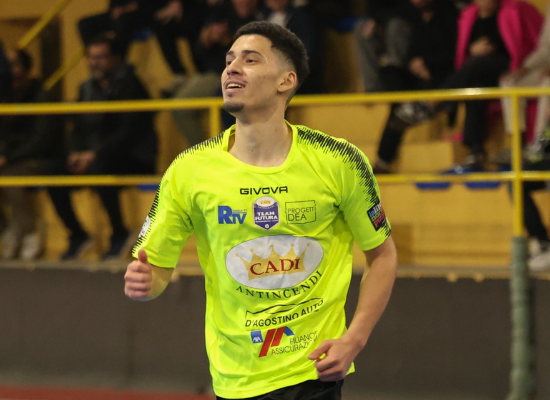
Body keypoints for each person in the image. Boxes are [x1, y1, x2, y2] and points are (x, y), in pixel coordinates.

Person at [125, 21, 397, 399]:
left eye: (250, 60)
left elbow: (383, 256)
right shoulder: (188, 170)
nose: (232, 69)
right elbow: (155, 270)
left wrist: (355, 338)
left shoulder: (339, 160)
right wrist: (145, 284)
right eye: (229, 61)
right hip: (235, 380)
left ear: (286, 80)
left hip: (312, 375)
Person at [395, 0, 543, 170]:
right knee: (475, 84)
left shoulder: (515, 10)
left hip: (512, 66)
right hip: (482, 74)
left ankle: (432, 102)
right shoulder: (469, 17)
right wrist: (473, 50)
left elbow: (531, 44)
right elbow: (461, 54)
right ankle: (476, 150)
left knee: (478, 64)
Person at [48, 35, 157, 260]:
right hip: (94, 155)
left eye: (101, 57)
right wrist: (76, 153)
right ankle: (78, 235)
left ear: (115, 58)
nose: (95, 63)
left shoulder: (131, 85)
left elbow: (128, 132)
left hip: (133, 155)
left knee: (101, 167)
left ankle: (120, 233)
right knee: (53, 171)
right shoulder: (87, 88)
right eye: (91, 57)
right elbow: (79, 127)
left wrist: (94, 155)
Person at [371, 0, 458, 173]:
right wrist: (415, 64)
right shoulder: (416, 18)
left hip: (441, 77)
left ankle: (383, 160)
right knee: (389, 72)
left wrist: (427, 64)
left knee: (399, 109)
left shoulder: (450, 17)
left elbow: (455, 55)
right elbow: (411, 53)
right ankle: (408, 103)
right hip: (419, 76)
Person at [0, 49, 63, 260]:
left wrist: (8, 158)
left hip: (40, 157)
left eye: (14, 65)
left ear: (26, 69)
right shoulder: (6, 95)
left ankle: (29, 233)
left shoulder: (42, 96)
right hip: (12, 157)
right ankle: (8, 230)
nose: (9, 70)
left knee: (10, 178)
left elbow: (41, 140)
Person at [171, 0, 260, 146]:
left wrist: (228, 40)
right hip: (214, 73)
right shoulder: (220, 14)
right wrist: (205, 40)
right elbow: (199, 53)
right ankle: (202, 152)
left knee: (182, 105)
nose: (244, 2)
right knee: (176, 104)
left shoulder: (261, 20)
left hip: (238, 77)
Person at [500, 3, 550, 155]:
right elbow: (545, 48)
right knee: (510, 82)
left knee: (547, 83)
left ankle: (539, 143)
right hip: (545, 66)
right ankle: (518, 143)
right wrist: (525, 68)